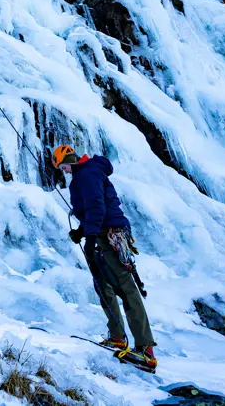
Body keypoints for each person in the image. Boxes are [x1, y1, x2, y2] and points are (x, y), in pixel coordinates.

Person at [52, 144, 158, 371]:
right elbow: (92, 209)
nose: (64, 171)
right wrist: (82, 232)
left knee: (126, 287)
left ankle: (146, 350)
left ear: (68, 160)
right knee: (103, 284)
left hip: (109, 235)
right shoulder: (84, 174)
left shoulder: (88, 174)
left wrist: (89, 235)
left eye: (63, 167)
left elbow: (96, 206)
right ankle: (118, 336)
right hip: (101, 234)